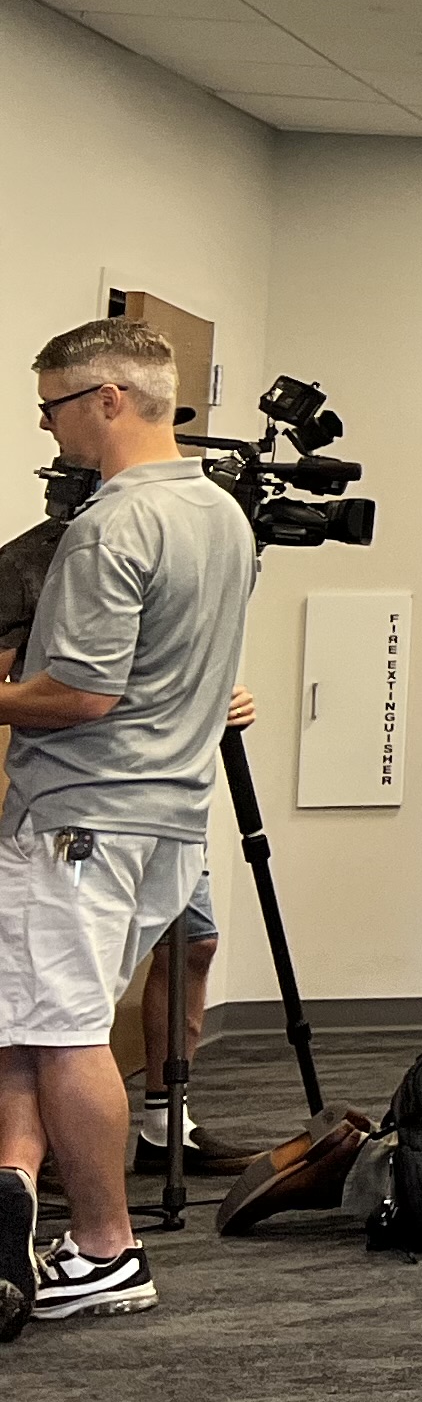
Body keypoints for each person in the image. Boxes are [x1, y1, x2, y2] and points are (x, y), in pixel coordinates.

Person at [0, 318, 257, 1335]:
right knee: (35, 1016)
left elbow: (79, 695)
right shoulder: (222, 514)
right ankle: (15, 1191)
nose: (48, 427)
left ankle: (107, 1249)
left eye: (54, 406)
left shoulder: (112, 527)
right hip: (166, 818)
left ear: (108, 399)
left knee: (63, 1033)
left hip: (83, 816)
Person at [0, 505, 255, 1181]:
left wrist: (216, 701)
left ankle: (163, 1126)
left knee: (188, 945)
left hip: (165, 801)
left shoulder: (199, 537)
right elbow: (53, 690)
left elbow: (176, 671)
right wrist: (81, 693)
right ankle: (47, 1180)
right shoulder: (32, 561)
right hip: (84, 803)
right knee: (63, 1014)